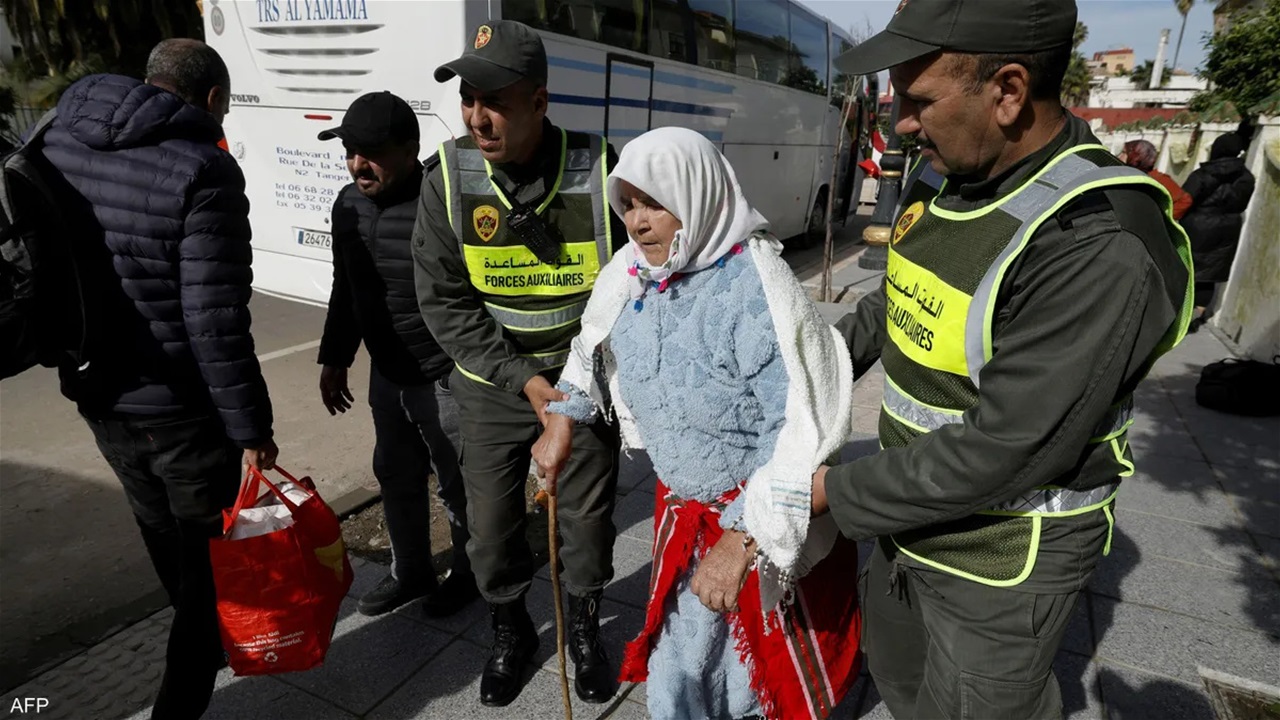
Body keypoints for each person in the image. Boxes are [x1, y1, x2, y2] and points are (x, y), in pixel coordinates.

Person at [808, 1, 1194, 718]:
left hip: (998, 562)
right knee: (899, 680)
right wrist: (804, 361)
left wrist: (828, 491)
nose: (901, 126)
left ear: (1009, 92)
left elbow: (1004, 448)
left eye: (918, 101)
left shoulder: (1094, 243)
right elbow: (896, 301)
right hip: (908, 521)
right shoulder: (951, 171)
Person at [532, 127, 863, 720]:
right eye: (628, 204)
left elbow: (794, 428)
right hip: (684, 509)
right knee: (683, 661)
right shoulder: (631, 273)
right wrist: (563, 418)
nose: (637, 222)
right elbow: (591, 349)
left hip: (754, 518)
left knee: (750, 677)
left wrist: (743, 538)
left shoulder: (752, 288)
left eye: (654, 202)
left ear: (698, 195)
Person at [39, 39, 277, 719]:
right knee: (205, 576)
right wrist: (252, 430)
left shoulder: (58, 135)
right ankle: (183, 694)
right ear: (211, 100)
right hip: (179, 415)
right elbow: (214, 319)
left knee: (166, 541)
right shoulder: (204, 169)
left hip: (97, 396)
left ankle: (200, 641)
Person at [412, 20, 623, 707]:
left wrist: (572, 384)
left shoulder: (600, 167)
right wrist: (524, 382)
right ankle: (511, 629)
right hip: (493, 383)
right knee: (492, 522)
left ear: (539, 100)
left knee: (587, 520)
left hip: (582, 377)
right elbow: (444, 303)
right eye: (469, 98)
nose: (478, 116)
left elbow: (634, 282)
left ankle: (585, 628)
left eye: (495, 100)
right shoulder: (446, 177)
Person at [316, 91, 478, 618]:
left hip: (443, 376)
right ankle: (410, 571)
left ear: (410, 150)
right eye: (350, 151)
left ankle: (472, 573)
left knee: (459, 482)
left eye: (372, 151)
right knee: (395, 471)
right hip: (387, 374)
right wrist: (335, 355)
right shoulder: (347, 205)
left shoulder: (444, 201)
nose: (358, 164)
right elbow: (348, 286)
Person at [1180, 133, 1255, 330]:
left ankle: (1178, 313)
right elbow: (1243, 202)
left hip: (1197, 225)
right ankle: (1196, 316)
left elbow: (1186, 198)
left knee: (1185, 269)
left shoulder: (1202, 174)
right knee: (1209, 275)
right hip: (1228, 228)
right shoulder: (1246, 178)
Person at [1120, 139, 1192, 219]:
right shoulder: (1125, 173)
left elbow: (1185, 200)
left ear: (1136, 156)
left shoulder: (1157, 179)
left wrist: (1161, 217)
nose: (1119, 156)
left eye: (1124, 153)